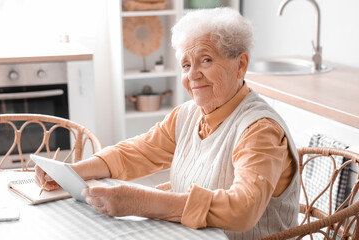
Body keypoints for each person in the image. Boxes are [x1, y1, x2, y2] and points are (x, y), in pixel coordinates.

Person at [35, 7, 299, 239]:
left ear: (240, 65)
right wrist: (72, 172)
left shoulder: (260, 129)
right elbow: (133, 153)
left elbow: (244, 210)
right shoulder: (187, 114)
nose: (193, 75)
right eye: (186, 64)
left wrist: (142, 202)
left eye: (205, 60)